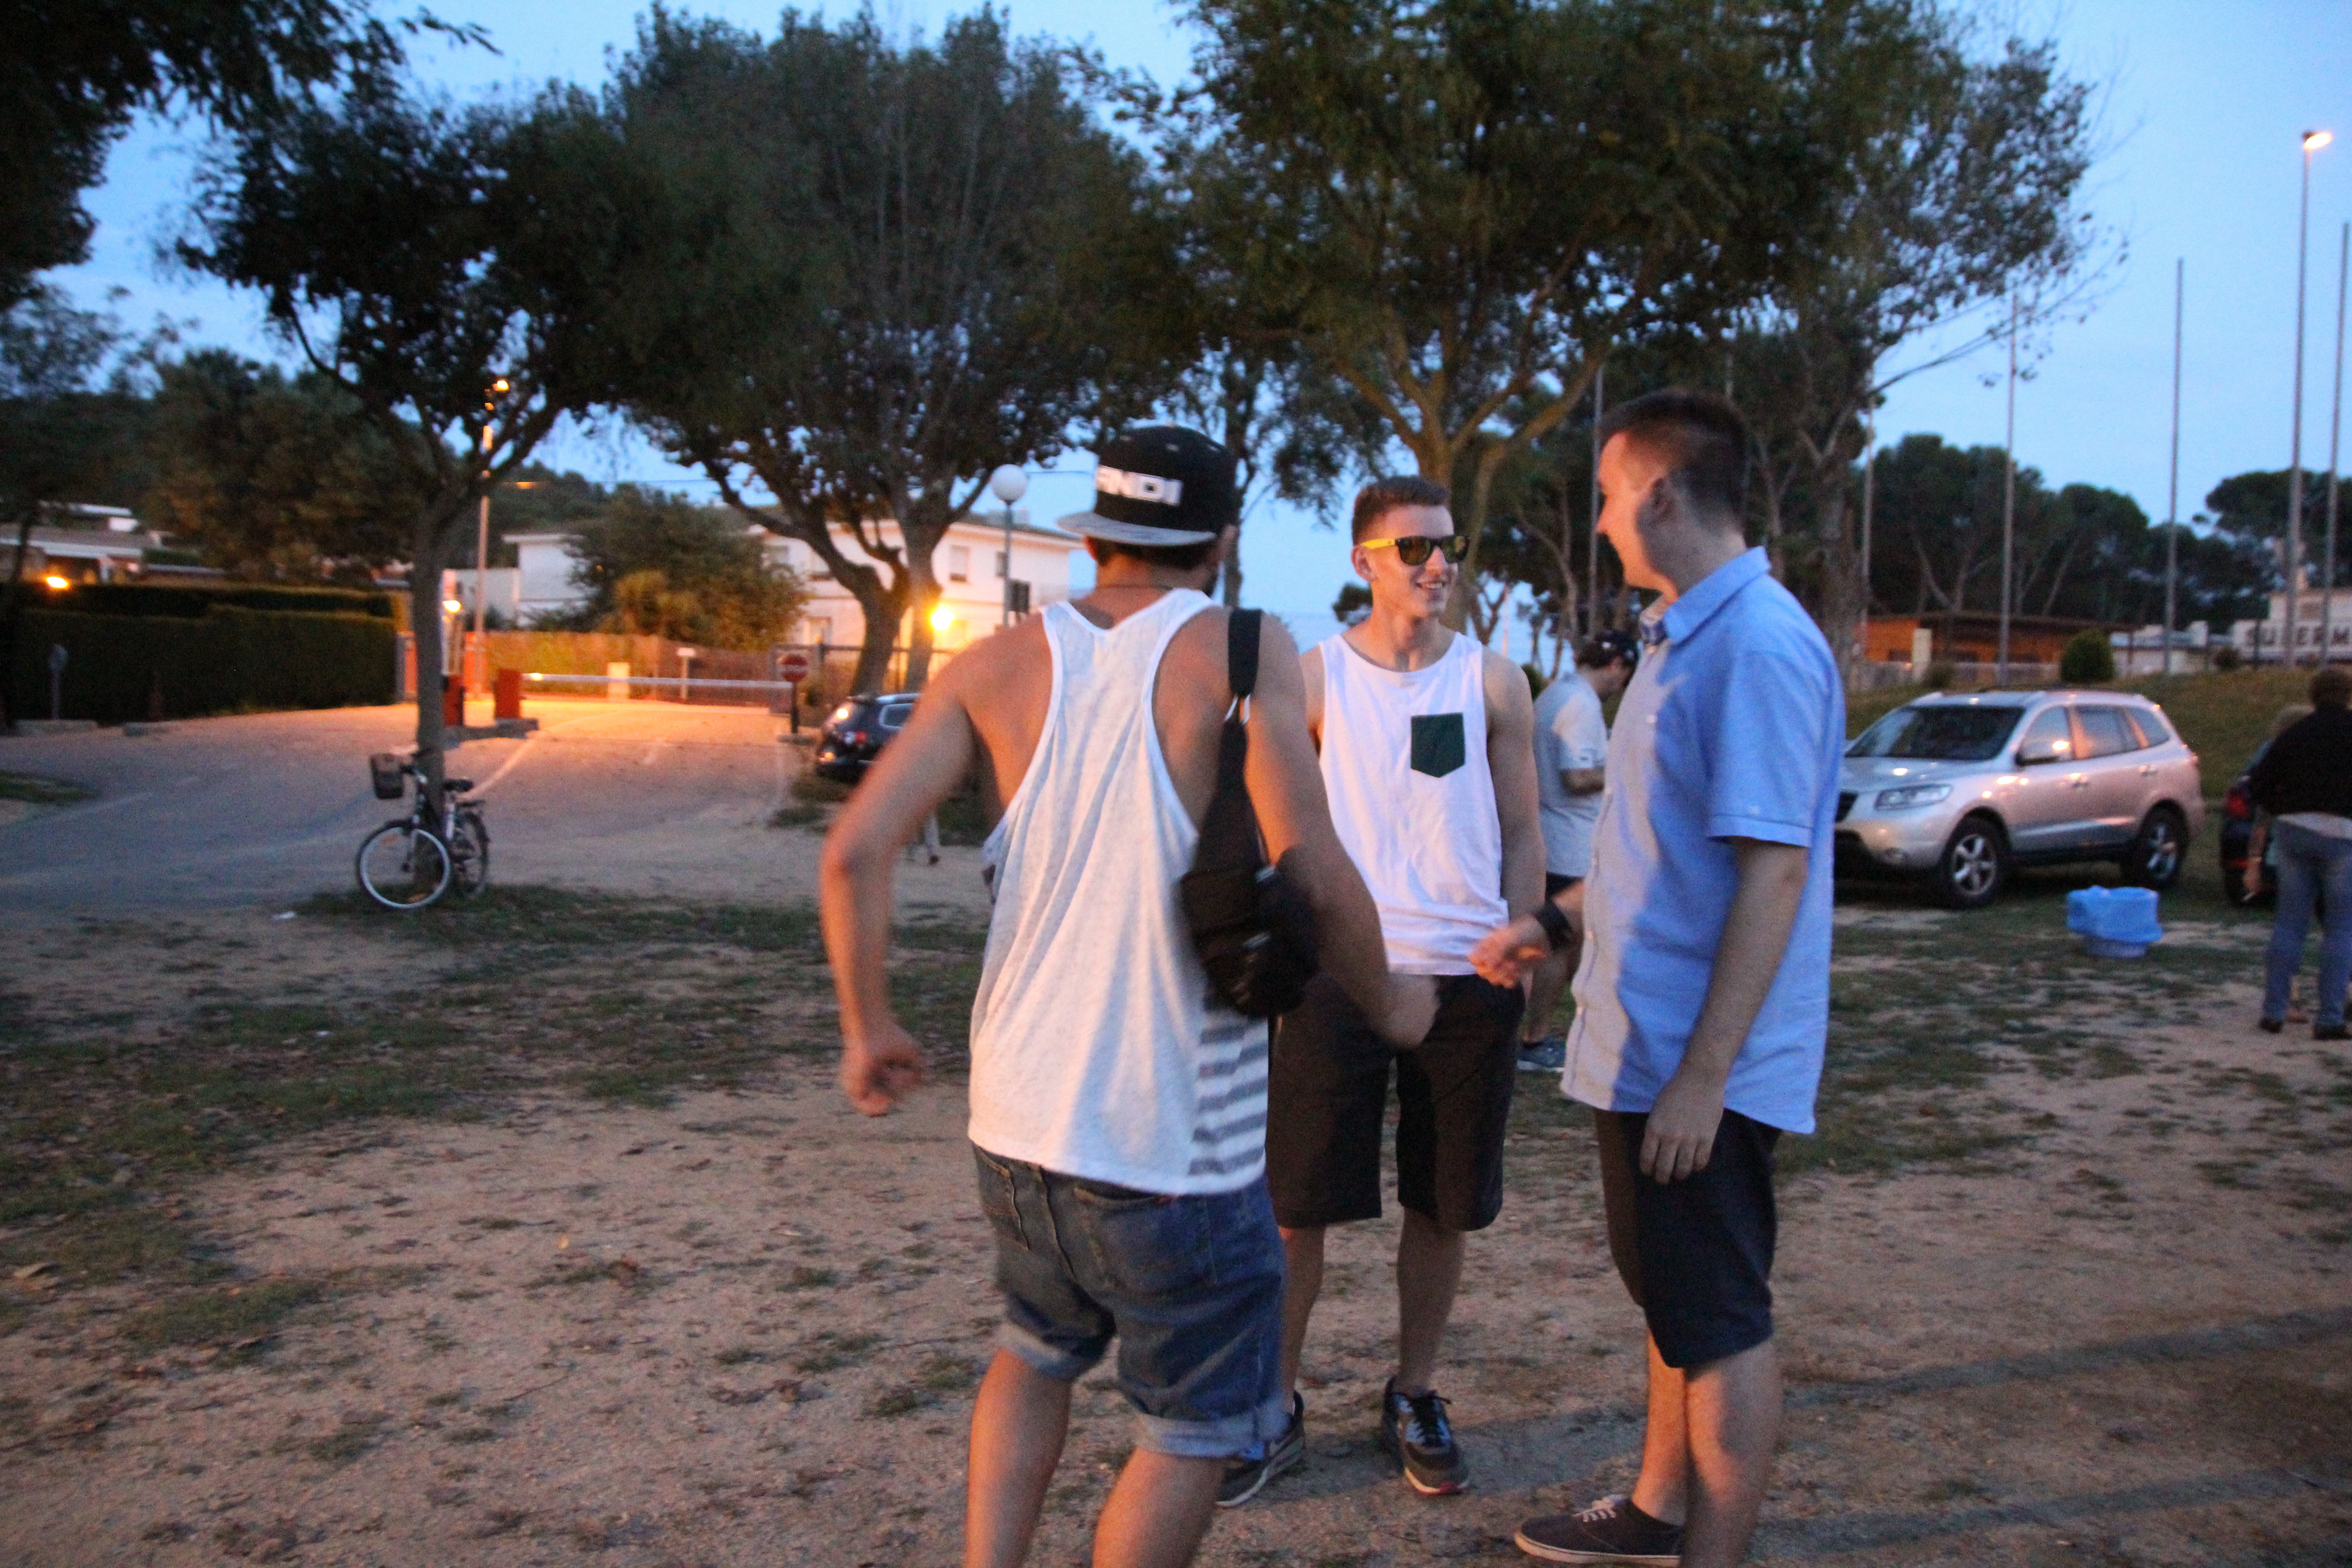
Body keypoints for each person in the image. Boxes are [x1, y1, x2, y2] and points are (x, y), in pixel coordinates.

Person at [819, 425, 1436, 1568]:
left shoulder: (992, 664)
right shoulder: (1243, 650)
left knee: (1033, 1350)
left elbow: (853, 853)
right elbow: (1310, 864)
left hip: (1016, 1126)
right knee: (1195, 1426)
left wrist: (870, 1026)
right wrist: (1396, 1003)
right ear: (1222, 539)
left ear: (1096, 532)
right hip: (1167, 1145)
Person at [1470, 390, 1842, 1568]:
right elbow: (1661, 856)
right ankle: (1657, 1508)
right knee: (1673, 1298)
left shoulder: (1759, 646)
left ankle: (1706, 1552)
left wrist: (1703, 1079)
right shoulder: (1684, 639)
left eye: (1607, 496)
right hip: (1645, 1046)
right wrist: (1553, 922)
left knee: (1720, 1321)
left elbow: (1774, 876)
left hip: (1696, 1066)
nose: (1598, 522)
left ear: (1664, 495)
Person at [1223, 475, 1542, 1506]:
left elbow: (1523, 827)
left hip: (1469, 978)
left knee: (1442, 1206)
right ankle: (1273, 1405)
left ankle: (1413, 1391)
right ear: (1363, 560)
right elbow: (1268, 823)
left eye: (1447, 545)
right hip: (1341, 979)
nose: (1437, 563)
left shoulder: (1494, 682)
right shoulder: (1314, 680)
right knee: (1294, 1211)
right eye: (1414, 547)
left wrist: (1523, 938)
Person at [1517, 632, 1640, 1075]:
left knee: (1558, 942)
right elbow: (1578, 777)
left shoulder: (1556, 694)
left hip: (1552, 834)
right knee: (1559, 945)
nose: (1620, 691)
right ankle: (1535, 1040)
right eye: (1624, 680)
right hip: (1569, 843)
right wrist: (1629, 768)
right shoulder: (1582, 706)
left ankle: (1537, 1036)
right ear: (1617, 666)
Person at [2246, 666, 2352, 1042]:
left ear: (2313, 696)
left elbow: (2257, 784)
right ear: (2348, 696)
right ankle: (2330, 1019)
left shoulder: (2295, 734)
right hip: (2343, 835)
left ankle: (2274, 1011)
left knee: (2290, 924)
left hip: (2293, 832)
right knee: (2341, 928)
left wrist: (2284, 808)